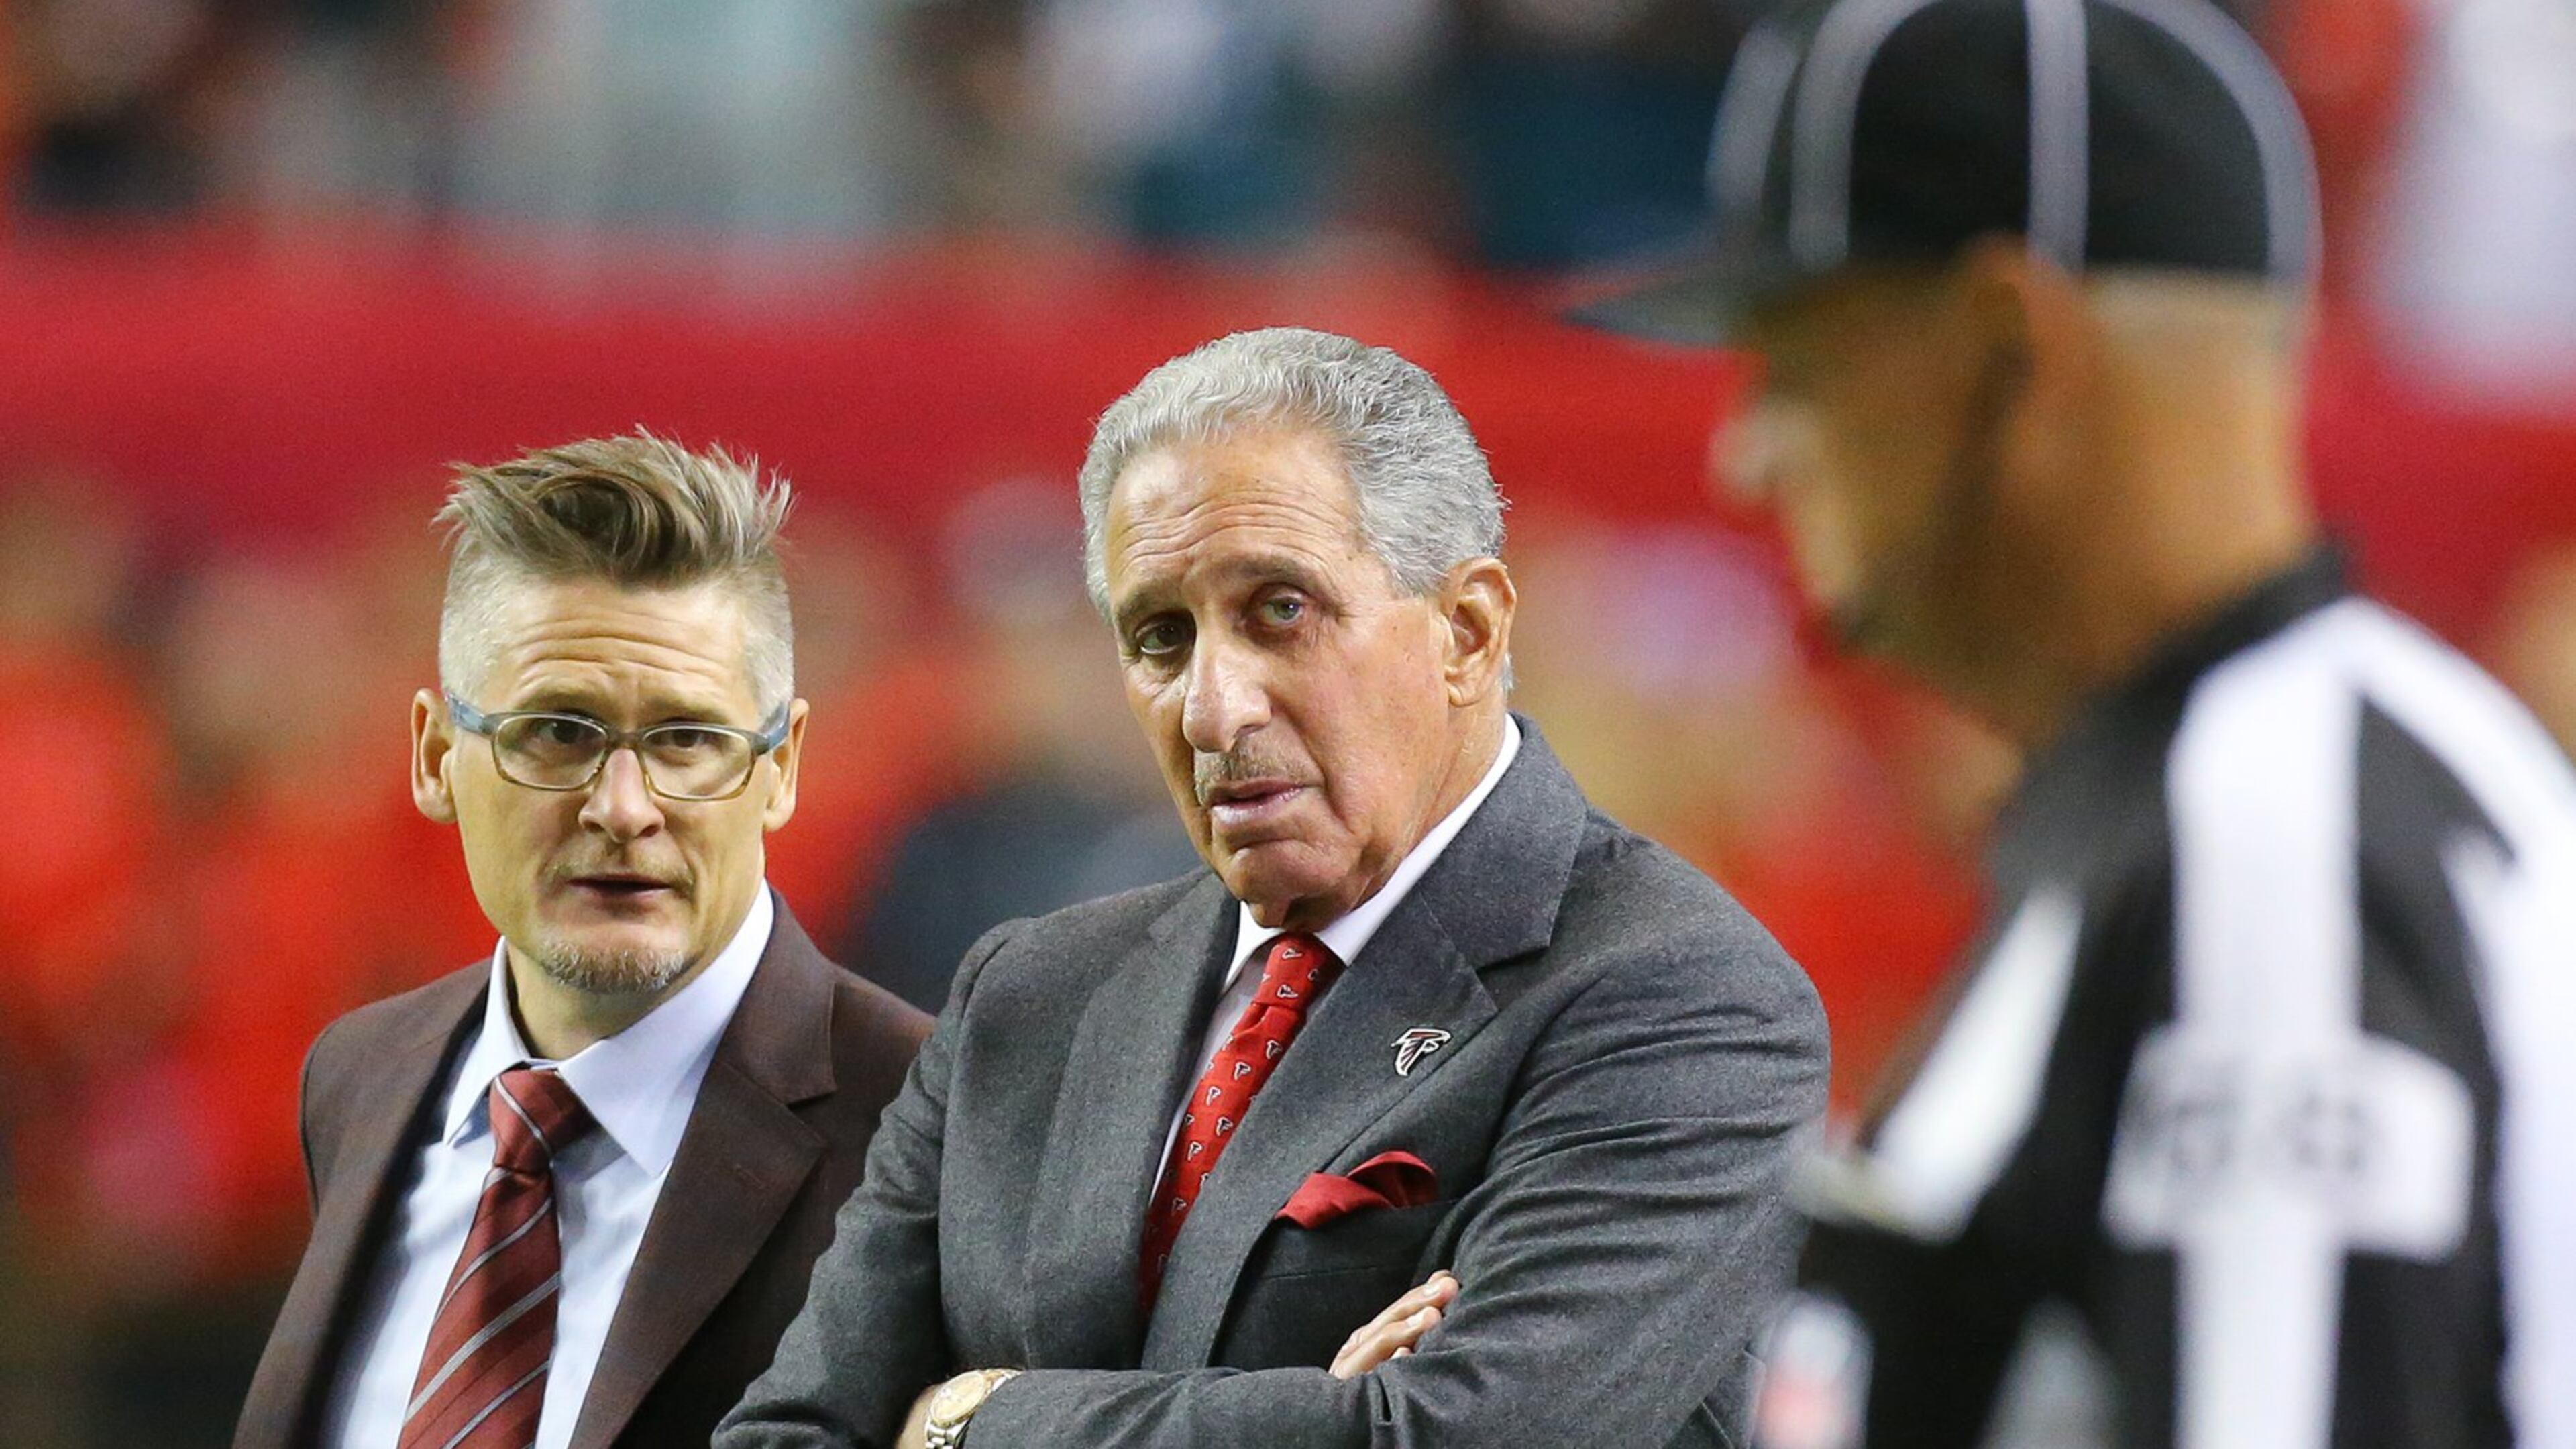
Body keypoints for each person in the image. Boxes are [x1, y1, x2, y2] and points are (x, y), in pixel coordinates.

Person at [1587, 1, 2576, 1445]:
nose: (1747, 457)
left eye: (1799, 368)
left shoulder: (2274, 835)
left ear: (2009, 346)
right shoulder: (2227, 797)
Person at [715, 327, 1830, 1448]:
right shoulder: (1027, 991)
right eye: (1160, 637)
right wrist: (1325, 1418)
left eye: (1280, 610)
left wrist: (966, 1420)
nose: (1212, 708)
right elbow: (789, 1434)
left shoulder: (1684, 1000)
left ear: (1467, 632)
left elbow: (1461, 1438)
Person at [233, 435, 932, 1449]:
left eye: (688, 740)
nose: (623, 807)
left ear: (782, 769)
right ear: (435, 756)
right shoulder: (359, 1077)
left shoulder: (934, 1130)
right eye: (559, 733)